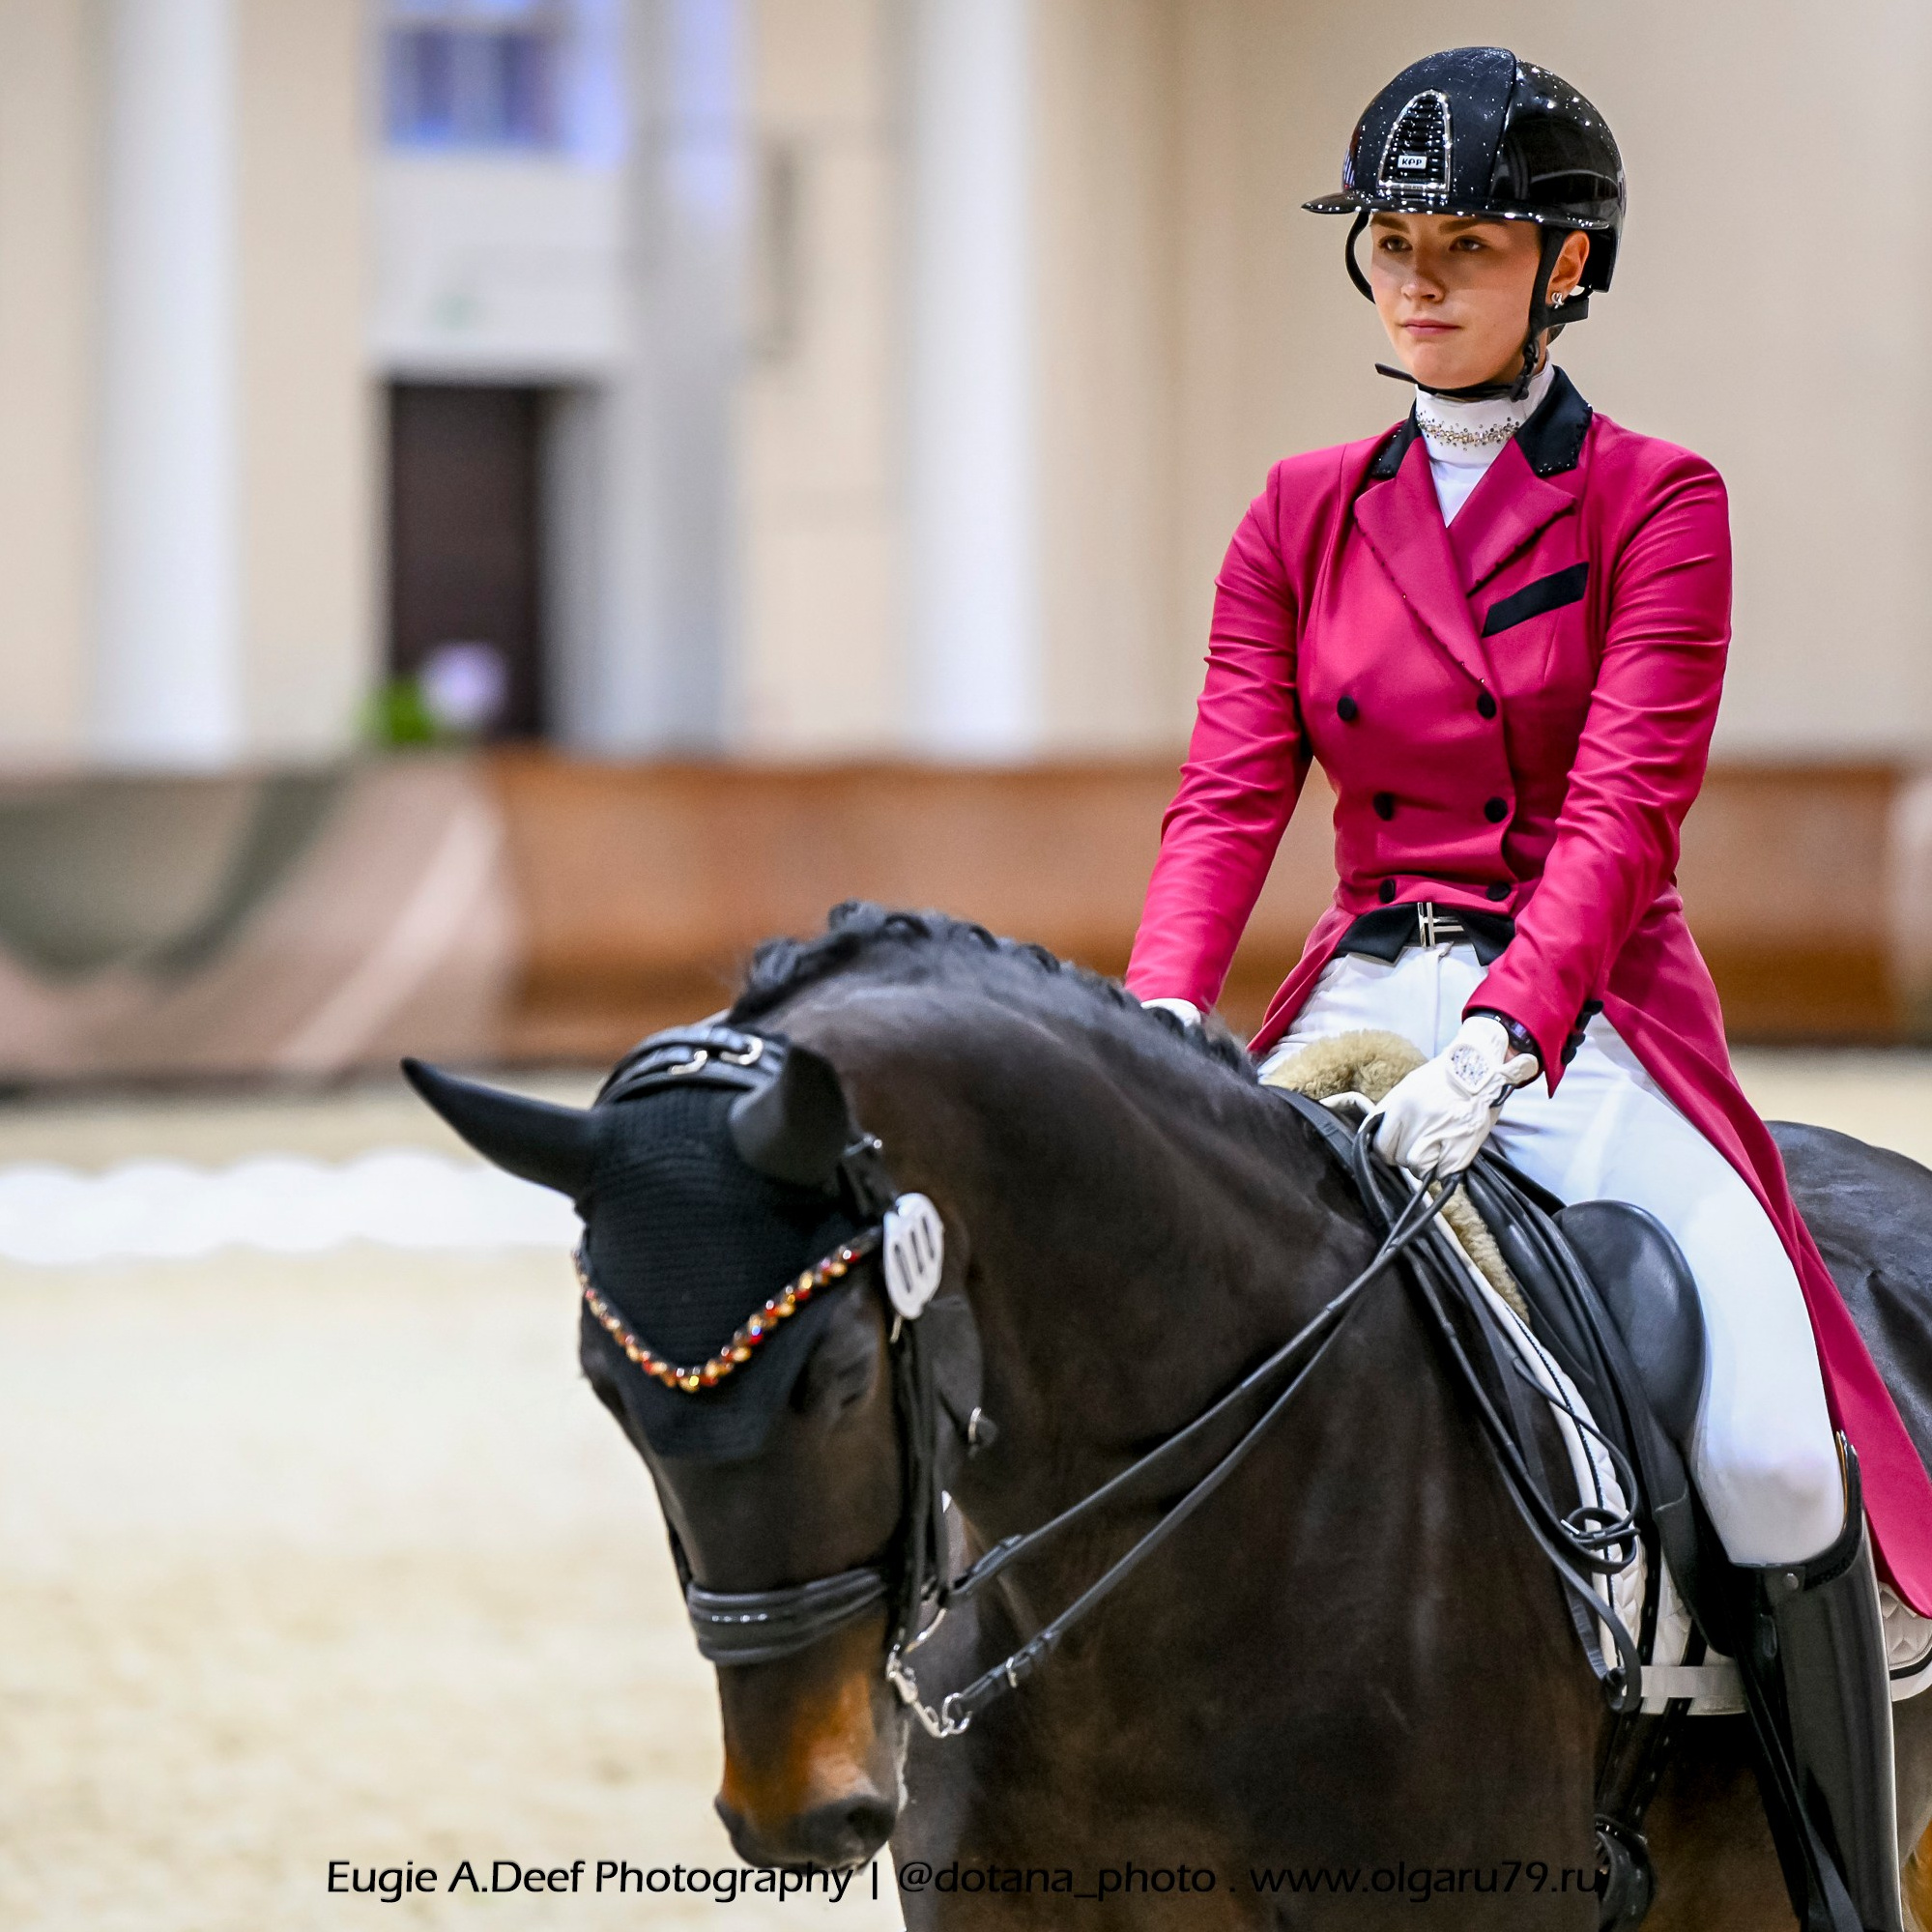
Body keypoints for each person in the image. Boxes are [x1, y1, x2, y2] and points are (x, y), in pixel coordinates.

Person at [1125, 46, 1926, 1931]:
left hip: (1586, 1019)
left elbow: (1625, 813)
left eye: (1464, 247)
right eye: (1391, 246)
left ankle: (1836, 1886)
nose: (1415, 284)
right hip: (1346, 999)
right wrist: (1160, 1024)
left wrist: (1501, 1040)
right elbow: (1230, 786)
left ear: (1565, 266)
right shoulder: (1299, 511)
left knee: (1755, 1434)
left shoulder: (1661, 501)